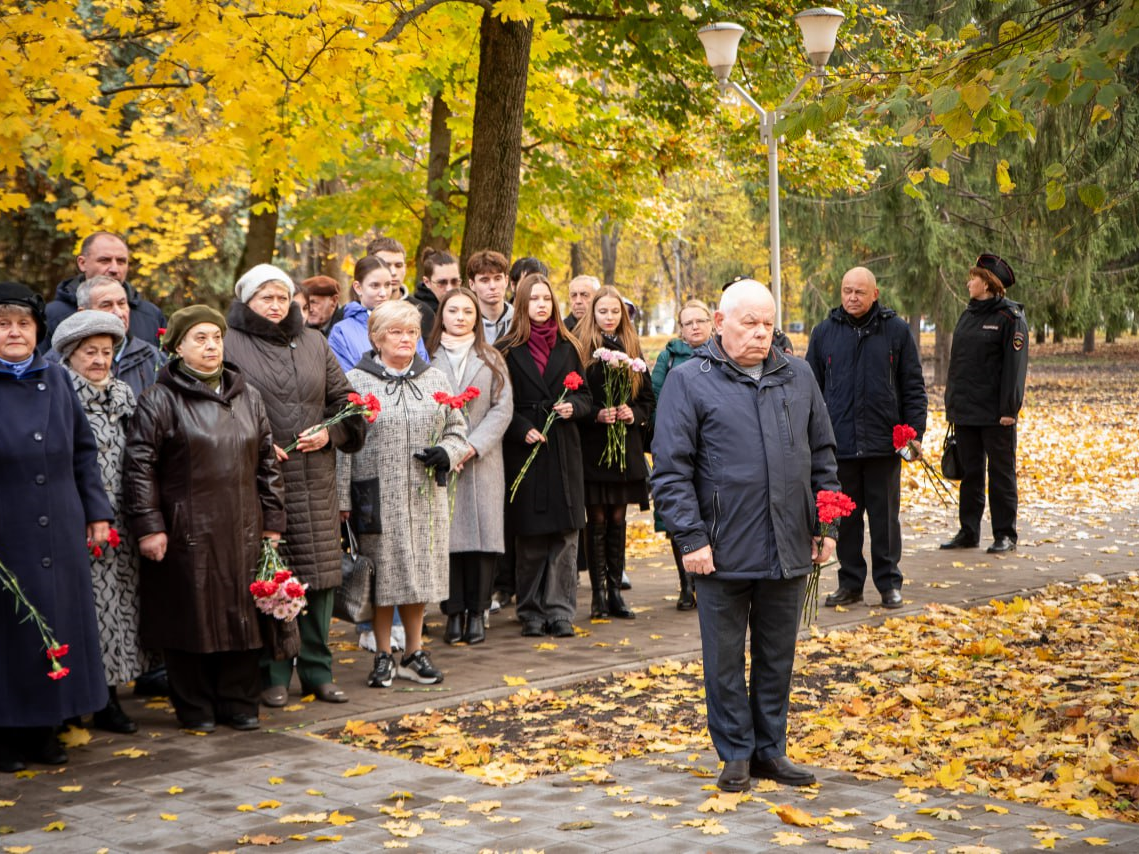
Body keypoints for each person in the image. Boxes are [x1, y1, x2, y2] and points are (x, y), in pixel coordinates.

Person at [651, 279, 840, 792]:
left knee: (778, 655)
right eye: (749, 323)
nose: (761, 333)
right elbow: (670, 469)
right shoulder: (689, 381)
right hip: (720, 547)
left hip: (788, 544)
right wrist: (690, 539)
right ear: (719, 322)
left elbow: (822, 456)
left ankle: (769, 751)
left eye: (767, 323)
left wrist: (826, 525)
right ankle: (735, 752)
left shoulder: (797, 376)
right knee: (725, 658)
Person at [124, 305, 286, 732]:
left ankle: (239, 702)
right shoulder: (160, 398)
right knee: (191, 618)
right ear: (178, 347)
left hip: (245, 528)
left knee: (243, 617)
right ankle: (195, 707)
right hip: (185, 530)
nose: (212, 345)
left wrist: (273, 522)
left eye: (216, 336)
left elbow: (267, 462)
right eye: (200, 338)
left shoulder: (248, 396)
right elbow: (139, 466)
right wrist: (150, 526)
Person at [224, 264, 366, 706]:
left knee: (320, 579)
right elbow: (219, 409)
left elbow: (346, 403)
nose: (274, 304)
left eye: (282, 296)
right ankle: (273, 674)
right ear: (247, 301)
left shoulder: (314, 342)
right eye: (264, 296)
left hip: (316, 478)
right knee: (273, 577)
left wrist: (331, 432)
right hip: (260, 483)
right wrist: (259, 446)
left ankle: (318, 672)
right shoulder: (229, 344)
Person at [0, 283, 113, 773]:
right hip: (9, 525)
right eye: (3, 323)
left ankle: (47, 729)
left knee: (55, 623)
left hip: (59, 523)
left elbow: (84, 452)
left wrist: (97, 513)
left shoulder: (58, 380)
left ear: (38, 331)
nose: (14, 331)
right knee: (10, 629)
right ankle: (6, 734)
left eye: (24, 323)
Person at [338, 301, 469, 688]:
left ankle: (414, 652)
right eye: (396, 332)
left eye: (411, 332)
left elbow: (457, 429)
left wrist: (447, 452)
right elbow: (345, 444)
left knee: (419, 574)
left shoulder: (435, 380)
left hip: (424, 495)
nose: (405, 339)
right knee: (382, 577)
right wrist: (343, 502)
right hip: (375, 495)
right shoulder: (356, 382)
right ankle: (383, 655)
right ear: (377, 338)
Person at [805, 266, 927, 610]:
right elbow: (810, 390)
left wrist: (914, 433)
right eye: (846, 291)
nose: (852, 298)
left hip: (883, 446)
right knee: (845, 520)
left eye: (859, 292)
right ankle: (850, 583)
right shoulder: (824, 333)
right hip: (839, 446)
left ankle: (889, 584)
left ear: (875, 294)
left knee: (885, 519)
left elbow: (912, 386)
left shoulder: (896, 331)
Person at [51, 312, 150, 735]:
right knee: (80, 611)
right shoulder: (56, 393)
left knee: (120, 610)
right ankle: (72, 702)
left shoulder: (124, 394)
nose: (99, 360)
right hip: (76, 520)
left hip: (122, 521)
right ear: (71, 355)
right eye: (89, 352)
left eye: (106, 352)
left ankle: (109, 697)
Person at [497, 273, 592, 638]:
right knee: (532, 537)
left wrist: (573, 406)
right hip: (527, 449)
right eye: (534, 299)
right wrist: (522, 428)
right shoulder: (508, 349)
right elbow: (500, 402)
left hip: (563, 448)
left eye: (546, 299)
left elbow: (585, 396)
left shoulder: (568, 348)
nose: (541, 305)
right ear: (522, 304)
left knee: (565, 537)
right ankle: (531, 610)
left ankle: (560, 610)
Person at [426, 288, 513, 645]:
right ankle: (453, 613)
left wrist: (472, 446)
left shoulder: (491, 358)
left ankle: (478, 613)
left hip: (482, 461)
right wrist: (449, 448)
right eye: (453, 311)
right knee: (448, 541)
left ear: (476, 318)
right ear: (441, 315)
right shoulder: (427, 358)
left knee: (482, 540)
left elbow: (503, 407)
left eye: (467, 311)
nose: (460, 317)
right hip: (443, 462)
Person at [572, 286, 655, 620]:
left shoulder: (632, 348)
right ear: (593, 314)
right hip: (594, 448)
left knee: (619, 518)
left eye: (614, 312)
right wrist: (596, 414)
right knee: (598, 519)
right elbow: (574, 395)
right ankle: (597, 595)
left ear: (623, 314)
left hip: (624, 448)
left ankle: (616, 592)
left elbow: (648, 400)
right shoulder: (581, 349)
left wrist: (632, 413)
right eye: (603, 311)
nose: (609, 317)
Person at [942, 254, 1027, 555]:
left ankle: (1005, 534)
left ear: (988, 283)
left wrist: (1009, 410)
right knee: (971, 474)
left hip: (996, 414)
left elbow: (1014, 369)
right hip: (966, 412)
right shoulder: (968, 314)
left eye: (973, 278)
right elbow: (959, 364)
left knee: (1001, 474)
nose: (968, 282)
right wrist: (952, 406)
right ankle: (969, 531)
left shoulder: (1009, 318)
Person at [650, 299, 714, 611]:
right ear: (681, 328)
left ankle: (709, 582)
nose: (695, 327)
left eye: (700, 321)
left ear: (712, 322)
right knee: (680, 517)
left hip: (713, 447)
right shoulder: (669, 357)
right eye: (688, 323)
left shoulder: (721, 352)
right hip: (679, 441)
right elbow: (658, 395)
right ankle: (686, 585)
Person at [45, 275, 166, 399]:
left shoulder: (155, 358)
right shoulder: (55, 362)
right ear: (83, 313)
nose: (118, 313)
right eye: (106, 305)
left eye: (122, 303)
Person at [44, 232, 166, 350]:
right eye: (105, 260)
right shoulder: (53, 315)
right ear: (82, 263)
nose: (114, 269)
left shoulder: (151, 315)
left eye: (121, 261)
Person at [329, 255, 429, 374]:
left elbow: (423, 368)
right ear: (358, 287)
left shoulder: (408, 323)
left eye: (387, 285)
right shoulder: (341, 331)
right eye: (375, 286)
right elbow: (345, 379)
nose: (383, 293)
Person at [468, 250, 514, 345]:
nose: (492, 286)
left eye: (497, 279)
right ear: (472, 284)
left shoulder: (520, 322)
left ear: (506, 281)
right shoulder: (465, 323)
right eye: (484, 280)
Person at [411, 248, 462, 333]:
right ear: (427, 282)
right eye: (442, 283)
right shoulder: (415, 314)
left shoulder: (467, 309)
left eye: (454, 281)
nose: (449, 288)